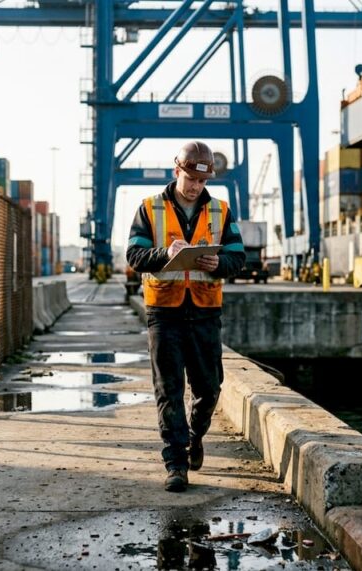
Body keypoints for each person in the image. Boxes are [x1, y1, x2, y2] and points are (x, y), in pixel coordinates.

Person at [126, 140, 246, 492]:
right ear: (176, 170)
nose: (195, 186)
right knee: (169, 389)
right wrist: (165, 253)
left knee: (209, 389)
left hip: (206, 310)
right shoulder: (149, 209)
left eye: (202, 181)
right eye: (190, 178)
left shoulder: (221, 211)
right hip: (164, 311)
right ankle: (176, 463)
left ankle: (195, 435)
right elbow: (134, 255)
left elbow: (238, 257)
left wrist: (218, 263)